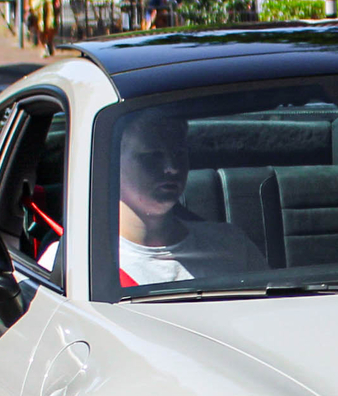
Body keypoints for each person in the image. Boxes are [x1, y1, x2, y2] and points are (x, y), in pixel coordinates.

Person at [113, 113, 267, 286]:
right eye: (152, 156)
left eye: (179, 153)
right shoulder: (92, 263)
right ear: (112, 164)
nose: (172, 167)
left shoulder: (232, 244)